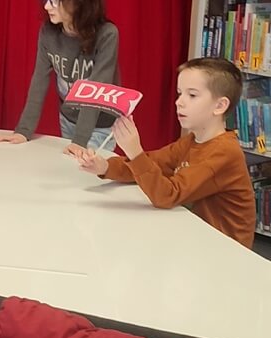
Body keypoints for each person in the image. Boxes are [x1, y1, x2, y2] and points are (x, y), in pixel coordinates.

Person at [77, 57, 256, 249]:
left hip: (225, 251)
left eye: (192, 95)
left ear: (220, 106)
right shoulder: (192, 141)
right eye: (180, 94)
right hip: (198, 237)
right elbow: (152, 164)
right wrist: (105, 166)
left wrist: (135, 152)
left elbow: (167, 196)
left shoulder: (223, 152)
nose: (179, 102)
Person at [0, 0, 119, 156]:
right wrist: (23, 131)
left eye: (54, 0)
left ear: (77, 2)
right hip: (68, 118)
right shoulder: (49, 33)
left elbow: (97, 90)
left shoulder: (107, 35)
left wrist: (80, 141)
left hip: (99, 125)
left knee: (86, 177)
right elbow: (39, 81)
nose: (46, 6)